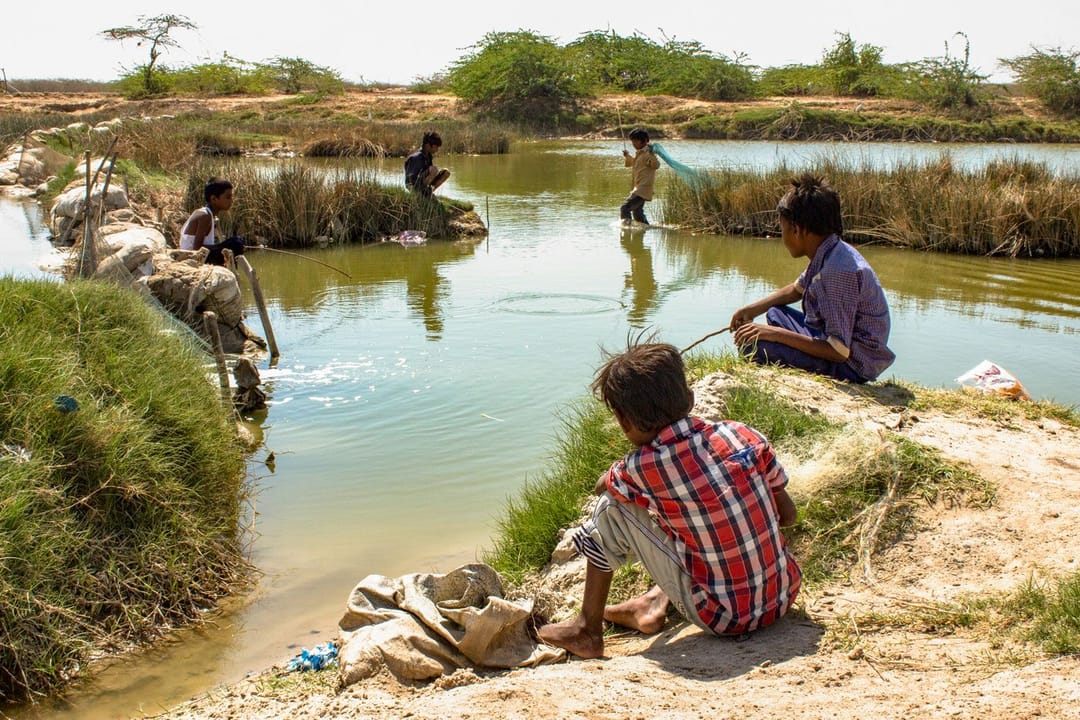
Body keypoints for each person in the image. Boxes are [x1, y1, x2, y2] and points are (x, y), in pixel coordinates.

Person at [537, 339, 801, 659]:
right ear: (690, 398)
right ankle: (652, 603)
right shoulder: (741, 434)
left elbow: (601, 486)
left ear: (623, 422)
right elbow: (788, 516)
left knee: (613, 506)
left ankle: (587, 629)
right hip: (784, 596)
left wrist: (622, 468)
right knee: (697, 522)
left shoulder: (642, 468)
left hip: (725, 619)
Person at [730, 174, 895, 383]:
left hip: (853, 364)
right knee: (774, 312)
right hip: (837, 345)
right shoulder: (830, 250)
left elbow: (839, 351)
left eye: (783, 229)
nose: (783, 236)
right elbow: (796, 290)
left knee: (753, 347)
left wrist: (774, 334)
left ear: (796, 230)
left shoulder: (837, 272)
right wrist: (753, 309)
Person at [179, 176, 244, 266]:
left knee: (231, 244)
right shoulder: (205, 216)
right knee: (237, 243)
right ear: (214, 199)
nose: (231, 200)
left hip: (196, 255)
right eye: (228, 197)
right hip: (192, 258)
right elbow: (197, 249)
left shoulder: (208, 214)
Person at [620, 128, 660, 225]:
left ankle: (627, 230)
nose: (633, 144)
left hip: (642, 189)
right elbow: (634, 163)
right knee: (637, 214)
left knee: (625, 208)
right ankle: (646, 229)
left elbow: (656, 165)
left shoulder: (648, 153)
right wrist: (627, 156)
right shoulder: (640, 153)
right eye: (632, 141)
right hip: (638, 188)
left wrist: (652, 154)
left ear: (645, 141)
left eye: (636, 141)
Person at [404, 130, 450, 197]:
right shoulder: (417, 157)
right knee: (434, 169)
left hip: (422, 183)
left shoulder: (428, 155)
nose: (437, 150)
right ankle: (421, 194)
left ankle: (428, 193)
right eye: (436, 147)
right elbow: (411, 180)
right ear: (428, 145)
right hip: (413, 185)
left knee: (445, 172)